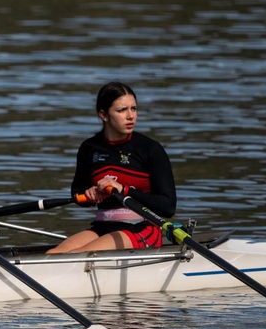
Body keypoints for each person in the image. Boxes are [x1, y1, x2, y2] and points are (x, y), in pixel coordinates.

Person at [48, 82, 175, 253]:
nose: (131, 116)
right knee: (52, 255)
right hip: (103, 226)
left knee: (77, 256)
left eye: (134, 109)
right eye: (122, 110)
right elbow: (77, 192)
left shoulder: (150, 150)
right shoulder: (89, 148)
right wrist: (90, 194)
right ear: (103, 115)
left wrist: (123, 190)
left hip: (142, 227)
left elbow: (168, 206)